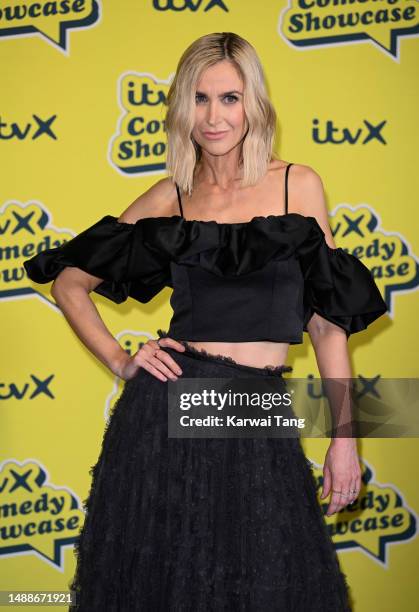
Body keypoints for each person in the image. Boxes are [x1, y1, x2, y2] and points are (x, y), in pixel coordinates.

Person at [23, 32, 387, 611]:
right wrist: (121, 359)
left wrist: (346, 438)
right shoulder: (174, 194)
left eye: (229, 98)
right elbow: (69, 282)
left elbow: (326, 323)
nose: (214, 116)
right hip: (168, 413)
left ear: (255, 105)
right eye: (199, 98)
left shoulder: (298, 184)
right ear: (181, 108)